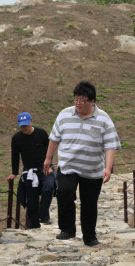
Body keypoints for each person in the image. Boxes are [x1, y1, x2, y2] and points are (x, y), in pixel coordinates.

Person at [43, 80, 121, 246]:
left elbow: (110, 145)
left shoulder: (103, 119)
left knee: (89, 203)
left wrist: (108, 167)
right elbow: (54, 138)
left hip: (93, 169)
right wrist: (48, 159)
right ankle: (67, 229)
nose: (78, 103)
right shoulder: (64, 115)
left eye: (82, 100)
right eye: (76, 99)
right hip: (68, 165)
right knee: (64, 192)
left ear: (92, 101)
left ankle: (90, 237)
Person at [8, 111, 55, 228]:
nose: (24, 128)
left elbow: (50, 149)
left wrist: (49, 165)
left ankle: (44, 216)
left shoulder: (41, 133)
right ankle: (34, 225)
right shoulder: (16, 138)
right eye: (22, 125)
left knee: (48, 188)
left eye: (26, 125)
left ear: (31, 122)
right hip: (29, 171)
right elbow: (15, 156)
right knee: (31, 200)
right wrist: (14, 172)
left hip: (45, 168)